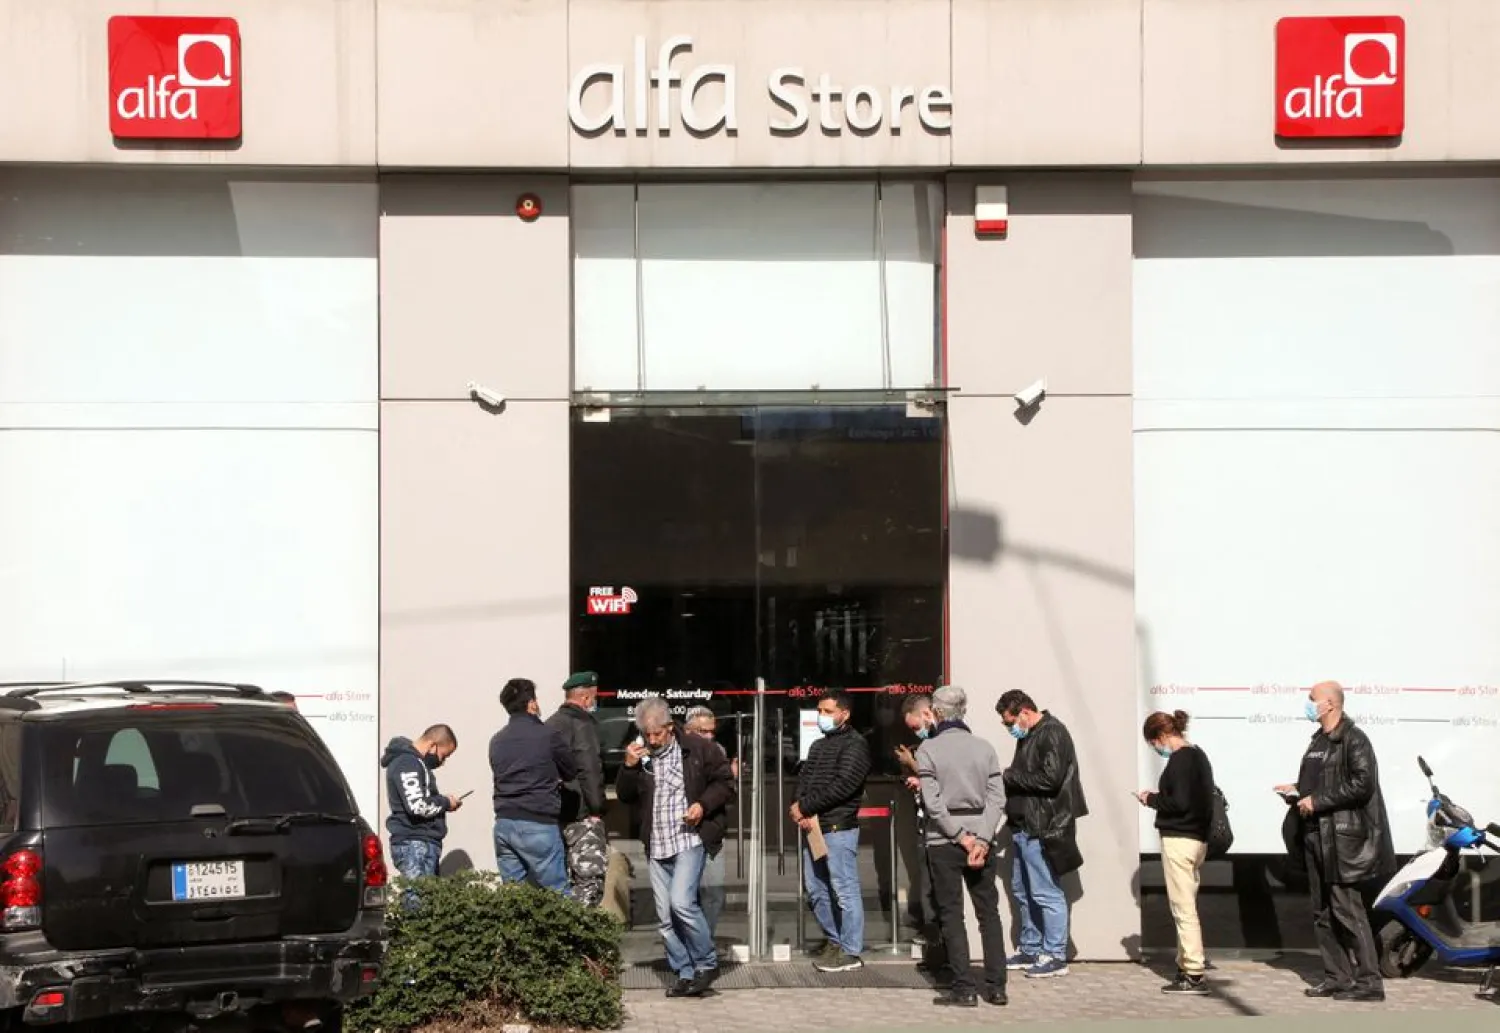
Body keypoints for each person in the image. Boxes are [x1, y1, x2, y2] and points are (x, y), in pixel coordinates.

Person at [1275, 681, 1394, 1003]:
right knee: (1322, 912)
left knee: (1347, 911)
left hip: (1341, 841)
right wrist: (1298, 790)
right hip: (1315, 836)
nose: (1308, 705)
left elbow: (1362, 783)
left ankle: (1370, 983)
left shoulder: (1353, 739)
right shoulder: (1318, 741)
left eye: (1312, 700)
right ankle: (1337, 978)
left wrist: (1318, 801)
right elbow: (1322, 784)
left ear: (1330, 704)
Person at [617, 697, 736, 998]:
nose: (652, 739)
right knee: (666, 918)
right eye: (647, 733)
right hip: (656, 843)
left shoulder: (699, 748)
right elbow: (625, 795)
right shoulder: (641, 754)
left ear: (670, 727)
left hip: (688, 839)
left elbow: (724, 784)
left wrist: (701, 805)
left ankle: (706, 963)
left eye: (658, 733)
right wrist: (628, 767)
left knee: (682, 903)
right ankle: (684, 972)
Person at [915, 686, 1008, 1008]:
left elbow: (933, 802)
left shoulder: (927, 749)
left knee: (952, 914)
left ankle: (964, 988)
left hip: (944, 840)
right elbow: (997, 797)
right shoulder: (985, 748)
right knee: (989, 913)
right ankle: (997, 987)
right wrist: (981, 838)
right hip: (982, 838)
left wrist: (959, 836)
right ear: (963, 711)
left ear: (937, 713)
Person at [996, 689, 1088, 978]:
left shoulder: (1053, 733)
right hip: (1024, 827)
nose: (1008, 727)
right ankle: (1031, 947)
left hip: (1043, 827)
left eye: (1009, 721)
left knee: (1046, 892)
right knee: (1023, 892)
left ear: (1024, 712)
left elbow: (1051, 779)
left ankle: (1055, 954)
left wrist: (1009, 775)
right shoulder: (1030, 736)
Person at [791, 690, 872, 973]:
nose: (821, 716)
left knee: (844, 889)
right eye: (819, 711)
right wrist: (800, 806)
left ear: (844, 713)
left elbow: (844, 785)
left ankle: (850, 951)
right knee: (816, 889)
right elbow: (804, 779)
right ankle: (834, 940)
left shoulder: (856, 745)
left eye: (827, 711)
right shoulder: (818, 746)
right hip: (814, 826)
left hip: (838, 827)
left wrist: (806, 805)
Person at [1135, 710, 1215, 995]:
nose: (1156, 749)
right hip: (1197, 840)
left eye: (1153, 743)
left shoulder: (1180, 760)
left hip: (1179, 839)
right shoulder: (1199, 756)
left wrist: (1151, 799)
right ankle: (1185, 965)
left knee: (1183, 909)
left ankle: (1194, 972)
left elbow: (1178, 802)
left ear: (1160, 737)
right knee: (1187, 904)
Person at [489, 677, 577, 894]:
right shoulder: (547, 735)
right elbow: (570, 771)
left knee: (513, 896)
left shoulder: (497, 740)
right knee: (557, 894)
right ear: (531, 704)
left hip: (504, 823)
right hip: (538, 821)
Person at [898, 694, 950, 983]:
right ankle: (934, 954)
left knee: (939, 896)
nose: (915, 732)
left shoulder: (946, 743)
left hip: (940, 832)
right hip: (924, 827)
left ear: (928, 714)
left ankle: (943, 958)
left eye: (915, 725)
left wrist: (914, 766)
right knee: (929, 893)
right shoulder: (929, 743)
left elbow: (947, 781)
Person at [547, 671, 609, 907]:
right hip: (581, 813)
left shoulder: (551, 723)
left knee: (559, 881)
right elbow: (589, 767)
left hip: (554, 813)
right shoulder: (582, 724)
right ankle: (579, 938)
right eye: (593, 698)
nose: (593, 703)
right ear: (585, 698)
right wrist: (597, 808)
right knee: (589, 883)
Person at [381, 724, 462, 879]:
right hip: (414, 843)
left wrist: (444, 803)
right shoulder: (407, 763)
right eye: (443, 756)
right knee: (416, 901)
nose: (442, 762)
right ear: (432, 745)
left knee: (424, 899)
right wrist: (445, 802)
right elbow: (417, 806)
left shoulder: (414, 763)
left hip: (419, 843)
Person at [684, 706, 734, 937]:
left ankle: (705, 940)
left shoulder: (717, 751)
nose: (709, 736)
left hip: (711, 832)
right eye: (704, 731)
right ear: (688, 730)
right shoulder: (677, 752)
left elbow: (723, 788)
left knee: (713, 893)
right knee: (686, 894)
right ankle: (691, 942)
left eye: (712, 732)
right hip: (683, 834)